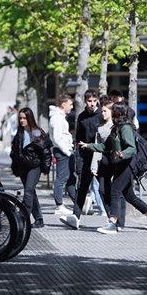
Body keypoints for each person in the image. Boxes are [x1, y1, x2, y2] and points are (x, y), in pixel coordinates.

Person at [80, 103, 147, 234]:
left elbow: (132, 148)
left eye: (109, 111)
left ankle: (112, 223)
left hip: (128, 164)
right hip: (120, 164)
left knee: (115, 190)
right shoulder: (115, 128)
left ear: (116, 113)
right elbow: (105, 147)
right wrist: (88, 146)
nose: (104, 113)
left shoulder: (125, 127)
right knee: (130, 196)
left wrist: (123, 154)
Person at [60, 89, 103, 229]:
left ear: (97, 100)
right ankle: (75, 216)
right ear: (85, 101)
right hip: (85, 156)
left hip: (100, 156)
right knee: (82, 188)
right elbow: (78, 139)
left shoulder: (101, 115)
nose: (92, 104)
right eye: (89, 101)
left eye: (94, 101)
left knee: (104, 188)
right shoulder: (82, 117)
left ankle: (113, 219)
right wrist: (79, 159)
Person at [10, 107, 51, 229]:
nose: (22, 120)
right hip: (23, 168)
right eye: (20, 118)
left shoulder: (37, 132)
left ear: (29, 118)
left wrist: (46, 168)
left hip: (34, 167)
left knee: (28, 191)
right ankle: (39, 219)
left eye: (24, 118)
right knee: (31, 193)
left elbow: (46, 151)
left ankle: (24, 218)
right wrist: (15, 167)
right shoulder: (19, 133)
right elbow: (15, 152)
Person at [90, 100, 127, 227]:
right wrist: (94, 165)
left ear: (112, 112)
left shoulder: (117, 126)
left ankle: (119, 222)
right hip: (104, 161)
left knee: (118, 192)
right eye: (102, 111)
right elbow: (97, 146)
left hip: (117, 161)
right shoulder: (100, 127)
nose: (102, 113)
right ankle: (111, 217)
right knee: (102, 190)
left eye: (105, 111)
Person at [49, 93, 78, 215]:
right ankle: (59, 205)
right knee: (61, 178)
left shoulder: (60, 117)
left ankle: (78, 203)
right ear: (63, 104)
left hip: (66, 150)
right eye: (70, 104)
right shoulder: (57, 118)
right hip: (62, 151)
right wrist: (66, 151)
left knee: (71, 178)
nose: (71, 107)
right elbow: (57, 138)